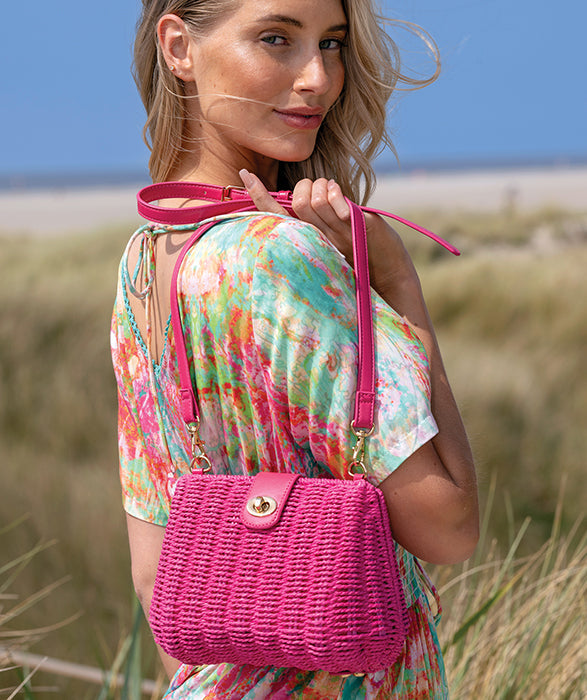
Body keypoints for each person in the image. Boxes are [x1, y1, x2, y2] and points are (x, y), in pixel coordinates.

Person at [111, 0, 479, 697]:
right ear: (178, 47)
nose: (317, 78)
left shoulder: (144, 258)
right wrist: (397, 283)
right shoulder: (279, 255)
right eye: (276, 38)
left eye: (332, 43)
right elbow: (449, 527)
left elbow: (154, 573)